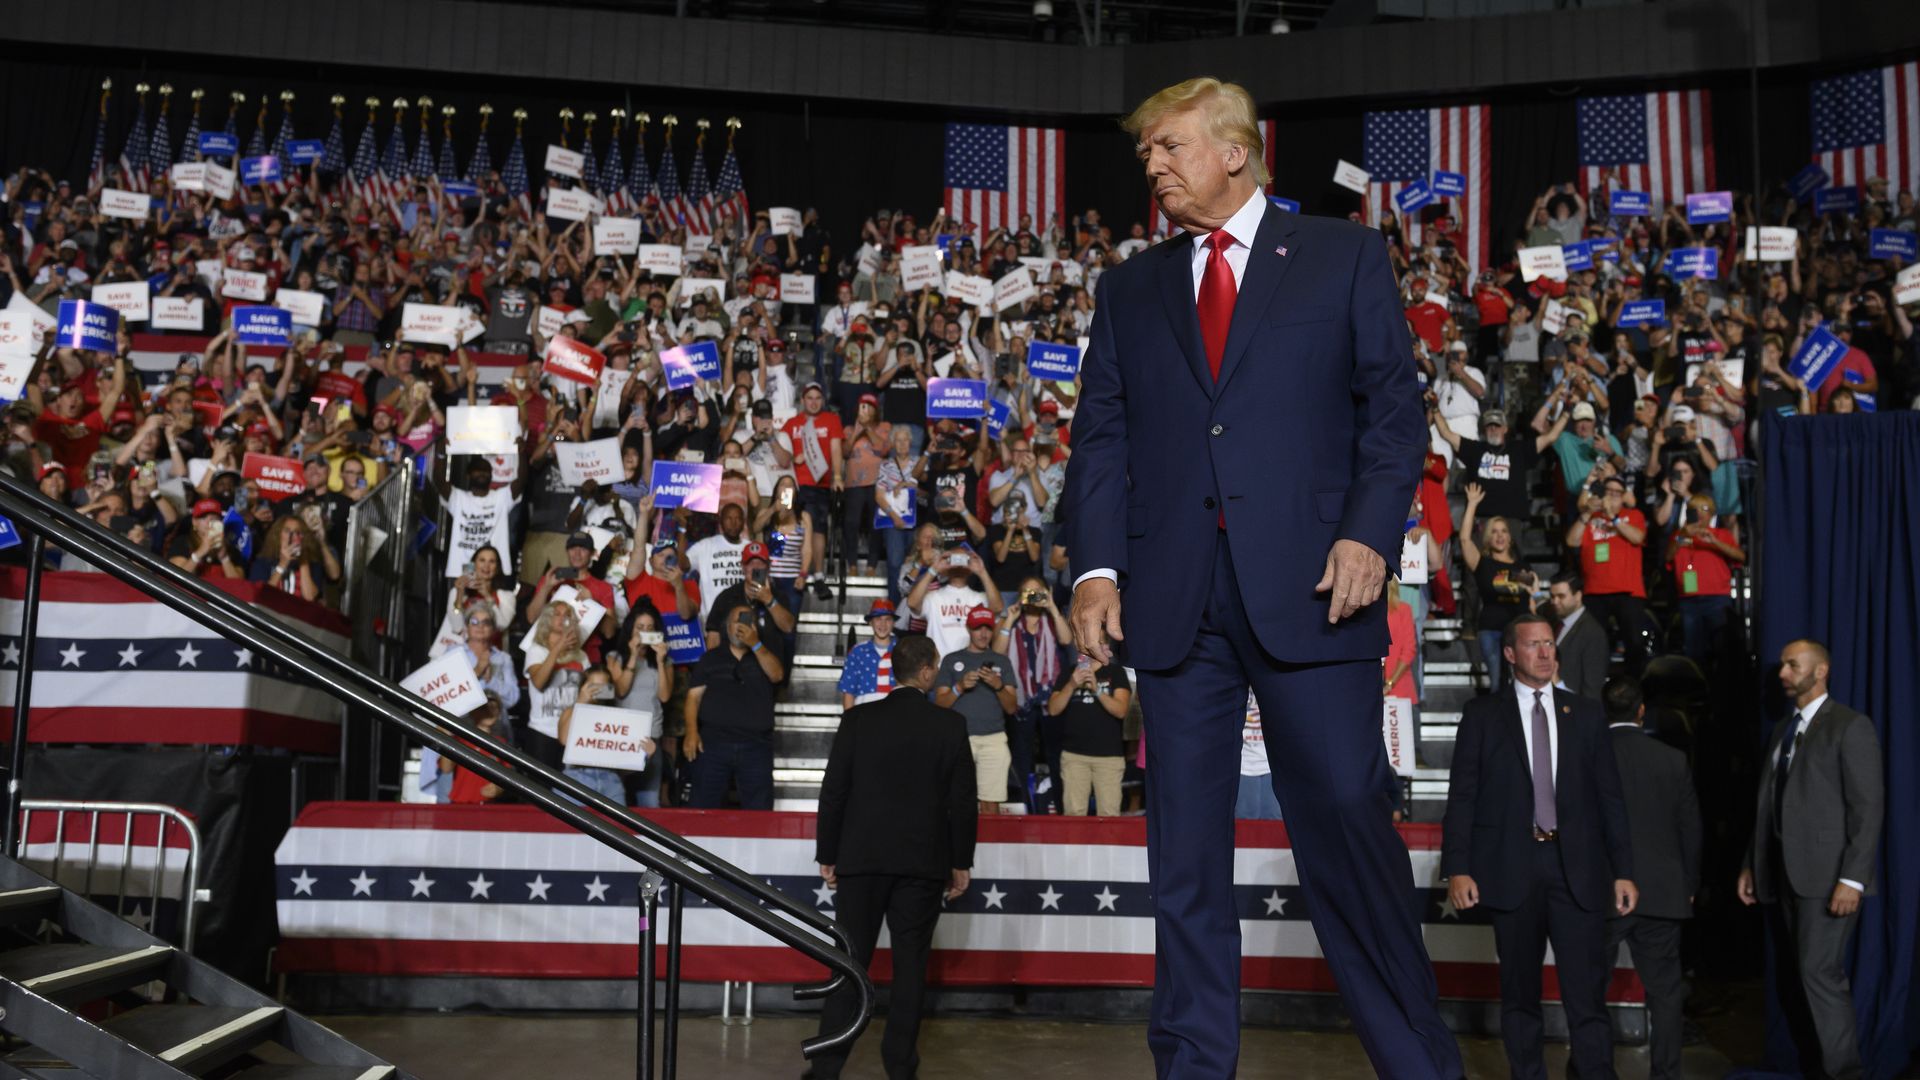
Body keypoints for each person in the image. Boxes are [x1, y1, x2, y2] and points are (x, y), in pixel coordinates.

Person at [1064, 77, 1462, 1077]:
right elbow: (1100, 441)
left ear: (1235, 151)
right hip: (1173, 606)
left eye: (1169, 146)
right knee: (1184, 866)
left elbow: (1395, 418)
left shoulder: (1342, 255)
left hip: (1320, 593)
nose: (1152, 165)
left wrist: (1370, 536)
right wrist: (1096, 570)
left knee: (1347, 827)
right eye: (1145, 151)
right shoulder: (1130, 288)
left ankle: (1420, 1065)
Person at [1441, 614, 1638, 1080]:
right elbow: (1463, 795)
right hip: (1513, 870)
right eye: (1534, 645)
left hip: (1578, 872)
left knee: (1586, 998)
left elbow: (1610, 799)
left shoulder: (1586, 714)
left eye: (1550, 643)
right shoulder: (1483, 715)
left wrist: (1624, 870)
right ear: (1510, 653)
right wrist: (1458, 867)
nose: (1546, 653)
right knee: (1520, 997)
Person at [808, 634, 975, 1080]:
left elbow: (833, 791)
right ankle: (900, 1067)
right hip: (922, 864)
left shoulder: (857, 720)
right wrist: (961, 861)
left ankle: (826, 1067)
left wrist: (828, 852)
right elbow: (962, 802)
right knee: (910, 968)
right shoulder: (950, 725)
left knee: (848, 964)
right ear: (927, 672)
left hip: (861, 860)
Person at [1738, 640, 1883, 1080]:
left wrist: (1853, 879)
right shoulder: (1784, 729)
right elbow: (1767, 804)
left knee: (1819, 974)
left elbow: (1867, 808)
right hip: (1785, 875)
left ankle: (1846, 1074)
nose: (1783, 673)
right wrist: (1751, 863)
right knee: (1801, 977)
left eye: (1792, 665)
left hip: (1828, 878)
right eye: (1782, 665)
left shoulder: (1849, 726)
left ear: (1820, 671)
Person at [1602, 676, 1701, 1080]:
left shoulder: (1588, 756)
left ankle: (1591, 1071)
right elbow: (1690, 829)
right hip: (1663, 893)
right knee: (1665, 996)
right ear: (1641, 711)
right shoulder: (1672, 760)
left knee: (1589, 993)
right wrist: (1689, 885)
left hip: (1603, 893)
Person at [682, 601, 785, 809]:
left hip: (756, 744)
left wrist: (756, 644)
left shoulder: (765, 654)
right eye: (738, 620)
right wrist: (691, 732)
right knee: (704, 807)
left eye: (748, 621)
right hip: (714, 742)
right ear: (728, 627)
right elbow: (693, 698)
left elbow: (777, 675)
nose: (742, 625)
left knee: (759, 811)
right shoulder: (710, 658)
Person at [932, 606, 1018, 815]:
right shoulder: (951, 660)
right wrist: (959, 687)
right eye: (978, 628)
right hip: (960, 739)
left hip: (993, 738)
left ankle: (990, 838)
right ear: (968, 629)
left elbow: (1011, 708)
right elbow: (939, 705)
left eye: (987, 628)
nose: (983, 633)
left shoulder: (1002, 661)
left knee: (991, 802)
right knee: (958, 800)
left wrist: (998, 685)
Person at [1565, 473, 1649, 674]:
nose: (1610, 496)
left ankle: (1635, 686)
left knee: (1634, 643)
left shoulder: (1633, 515)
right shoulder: (1590, 517)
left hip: (1628, 591)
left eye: (1616, 493)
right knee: (1593, 644)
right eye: (1607, 491)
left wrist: (1613, 517)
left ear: (1624, 496)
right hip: (1594, 591)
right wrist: (1587, 514)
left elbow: (1637, 537)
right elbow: (1571, 541)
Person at [1460, 482, 1537, 693]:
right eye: (1494, 532)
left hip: (1520, 631)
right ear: (1487, 537)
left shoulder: (1523, 567)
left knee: (1521, 684)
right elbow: (1465, 540)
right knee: (1497, 684)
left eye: (1504, 531)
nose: (1500, 535)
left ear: (1510, 537)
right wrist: (1472, 504)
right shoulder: (1483, 563)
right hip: (1491, 630)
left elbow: (1531, 601)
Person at [1046, 653, 1132, 816]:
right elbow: (1053, 709)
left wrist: (1097, 689)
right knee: (1074, 815)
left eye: (1098, 643)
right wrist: (1071, 685)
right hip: (1074, 756)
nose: (1090, 649)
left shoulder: (1115, 672)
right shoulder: (1070, 672)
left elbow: (1121, 710)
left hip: (1109, 757)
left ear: (1106, 648)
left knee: (1109, 816)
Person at [1665, 492, 1744, 668]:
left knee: (1722, 647)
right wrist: (1683, 534)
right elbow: (1668, 556)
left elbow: (1740, 556)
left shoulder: (1721, 534)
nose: (1700, 513)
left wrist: (1714, 541)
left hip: (1717, 599)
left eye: (1705, 509)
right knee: (1693, 651)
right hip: (1689, 601)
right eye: (1695, 509)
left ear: (1712, 514)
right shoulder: (1679, 536)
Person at [1548, 572, 1609, 698]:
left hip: (1574, 705)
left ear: (1578, 596)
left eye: (1561, 596)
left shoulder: (1592, 632)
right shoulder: (1557, 623)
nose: (1555, 601)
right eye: (1552, 596)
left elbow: (1593, 686)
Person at [837, 598, 898, 709]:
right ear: (870, 622)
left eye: (888, 619)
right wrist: (849, 718)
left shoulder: (902, 650)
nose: (883, 624)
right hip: (863, 714)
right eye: (878, 619)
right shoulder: (857, 652)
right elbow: (848, 691)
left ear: (893, 622)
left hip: (894, 713)